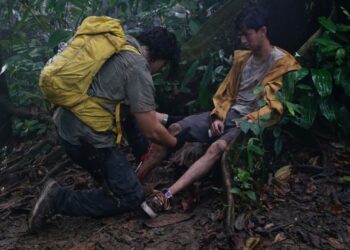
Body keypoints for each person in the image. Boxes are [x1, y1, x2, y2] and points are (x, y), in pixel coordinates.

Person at [138, 5, 301, 218]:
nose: (243, 40)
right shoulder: (242, 59)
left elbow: (274, 108)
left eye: (247, 34)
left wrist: (243, 121)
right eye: (240, 35)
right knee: (177, 127)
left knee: (217, 147)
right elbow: (225, 94)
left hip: (251, 122)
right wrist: (218, 116)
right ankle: (135, 183)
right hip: (230, 115)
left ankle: (166, 196)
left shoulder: (284, 63)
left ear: (263, 31)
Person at [28, 26, 188, 232]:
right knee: (131, 197)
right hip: (87, 139)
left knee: (130, 124)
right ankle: (57, 199)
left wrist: (174, 121)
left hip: (67, 127)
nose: (159, 70)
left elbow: (136, 113)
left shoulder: (120, 45)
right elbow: (151, 131)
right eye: (163, 65)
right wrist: (176, 143)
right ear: (160, 58)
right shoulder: (138, 67)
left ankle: (119, 180)